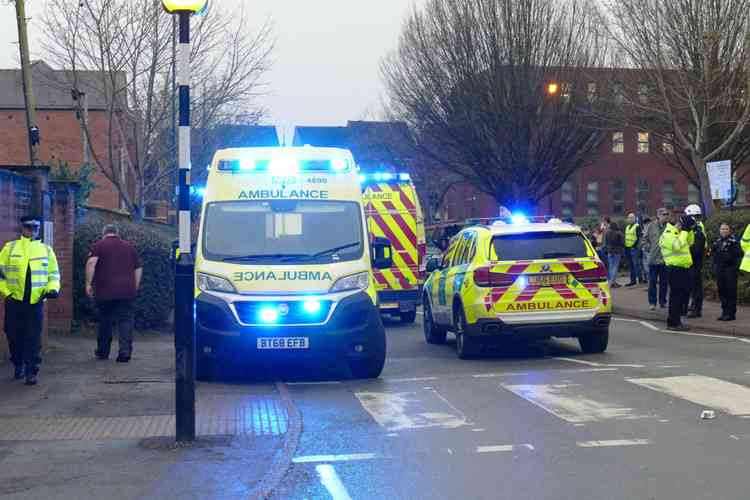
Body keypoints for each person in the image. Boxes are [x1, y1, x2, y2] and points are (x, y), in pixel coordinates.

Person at [0, 216, 60, 385]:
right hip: (14, 301)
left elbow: (53, 274)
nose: (32, 231)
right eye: (29, 227)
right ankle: (18, 364)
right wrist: (7, 292)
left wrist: (53, 289)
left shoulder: (46, 250)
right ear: (22, 228)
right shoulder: (10, 248)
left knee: (33, 338)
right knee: (13, 335)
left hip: (36, 302)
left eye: (36, 228)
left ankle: (31, 371)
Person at [85, 224, 143, 362]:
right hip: (126, 291)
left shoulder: (99, 245)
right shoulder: (129, 247)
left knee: (105, 320)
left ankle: (103, 352)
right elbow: (138, 268)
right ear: (117, 233)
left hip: (104, 290)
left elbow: (91, 263)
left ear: (104, 233)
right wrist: (135, 286)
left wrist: (88, 283)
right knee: (125, 321)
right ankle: (125, 353)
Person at [660, 214, 694, 331]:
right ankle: (673, 322)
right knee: (676, 296)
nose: (681, 227)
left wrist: (688, 231)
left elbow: (690, 242)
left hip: (683, 268)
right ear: (677, 224)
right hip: (674, 269)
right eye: (681, 225)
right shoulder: (668, 234)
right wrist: (684, 232)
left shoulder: (679, 233)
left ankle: (677, 320)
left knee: (683, 296)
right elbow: (677, 246)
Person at [712, 223, 743, 321]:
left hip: (730, 270)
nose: (724, 231)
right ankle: (724, 312)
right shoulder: (718, 242)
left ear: (729, 230)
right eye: (722, 229)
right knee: (722, 291)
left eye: (726, 229)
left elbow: (738, 255)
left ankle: (731, 314)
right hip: (720, 269)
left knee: (730, 291)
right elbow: (713, 254)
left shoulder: (733, 242)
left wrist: (734, 268)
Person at [643, 208, 670, 310]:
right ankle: (652, 303)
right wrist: (648, 248)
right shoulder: (651, 226)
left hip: (665, 260)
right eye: (663, 214)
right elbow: (644, 239)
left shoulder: (669, 227)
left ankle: (663, 302)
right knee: (652, 282)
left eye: (667, 214)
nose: (666, 216)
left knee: (664, 283)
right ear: (658, 215)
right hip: (653, 260)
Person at [683, 205, 706, 318]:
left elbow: (695, 249)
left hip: (694, 261)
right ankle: (694, 307)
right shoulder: (696, 227)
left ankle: (695, 308)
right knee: (694, 286)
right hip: (693, 261)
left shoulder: (697, 229)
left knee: (695, 286)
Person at [624, 213, 643, 286]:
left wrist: (634, 246)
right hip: (627, 248)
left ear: (635, 219)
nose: (630, 219)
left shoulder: (637, 226)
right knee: (631, 265)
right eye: (629, 218)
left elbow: (639, 238)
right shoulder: (627, 227)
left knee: (636, 264)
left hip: (634, 248)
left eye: (632, 218)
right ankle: (633, 280)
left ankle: (640, 280)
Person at [605, 221, 625, 287]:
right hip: (617, 251)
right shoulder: (619, 233)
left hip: (609, 251)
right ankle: (612, 282)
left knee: (611, 266)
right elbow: (623, 242)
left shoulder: (607, 232)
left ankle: (612, 282)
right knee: (615, 267)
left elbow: (606, 242)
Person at [640, 216, 652, 282]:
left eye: (646, 223)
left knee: (648, 268)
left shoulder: (651, 230)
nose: (645, 225)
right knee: (646, 267)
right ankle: (649, 282)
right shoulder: (644, 229)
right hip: (644, 250)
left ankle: (651, 282)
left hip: (648, 250)